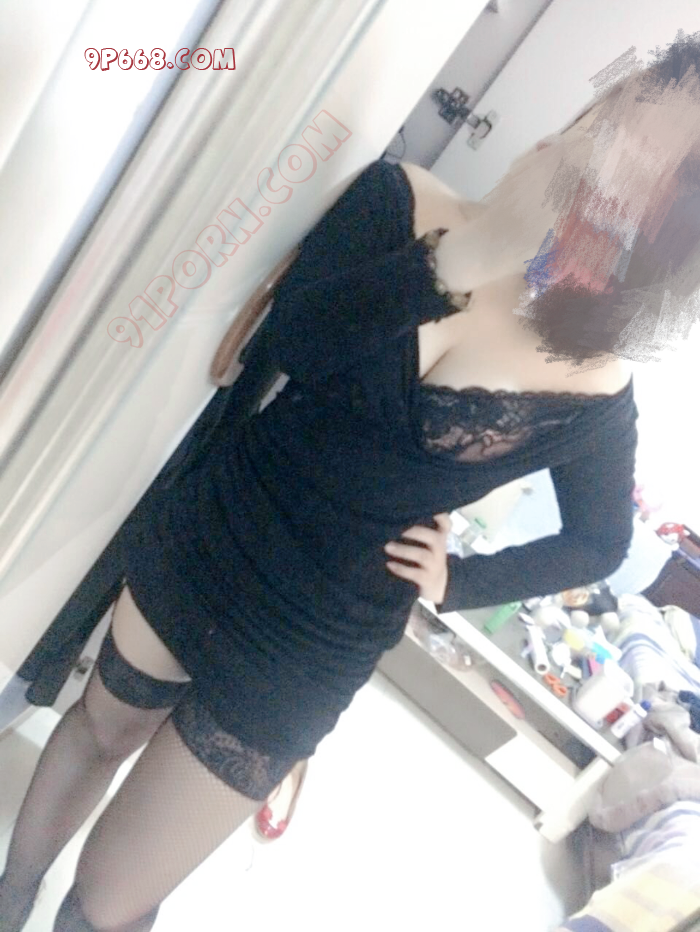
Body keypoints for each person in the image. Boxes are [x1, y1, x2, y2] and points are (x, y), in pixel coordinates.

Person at [2, 30, 700, 932]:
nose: (601, 178)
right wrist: (457, 259)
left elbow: (599, 543)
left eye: (642, 189)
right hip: (220, 526)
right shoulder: (402, 198)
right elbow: (291, 342)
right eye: (613, 134)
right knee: (99, 729)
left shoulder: (598, 384)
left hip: (317, 637)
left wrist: (459, 581)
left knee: (110, 901)